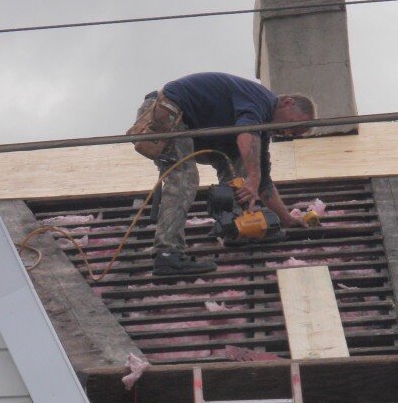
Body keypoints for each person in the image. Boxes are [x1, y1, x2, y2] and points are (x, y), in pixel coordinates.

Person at [132, 72, 316, 277]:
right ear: (287, 103)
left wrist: (286, 218)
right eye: (292, 126)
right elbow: (246, 134)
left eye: (293, 135)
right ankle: (167, 255)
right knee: (183, 177)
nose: (287, 134)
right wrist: (253, 178)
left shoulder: (262, 129)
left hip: (196, 127)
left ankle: (235, 228)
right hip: (167, 111)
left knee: (238, 164)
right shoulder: (261, 99)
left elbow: (262, 178)